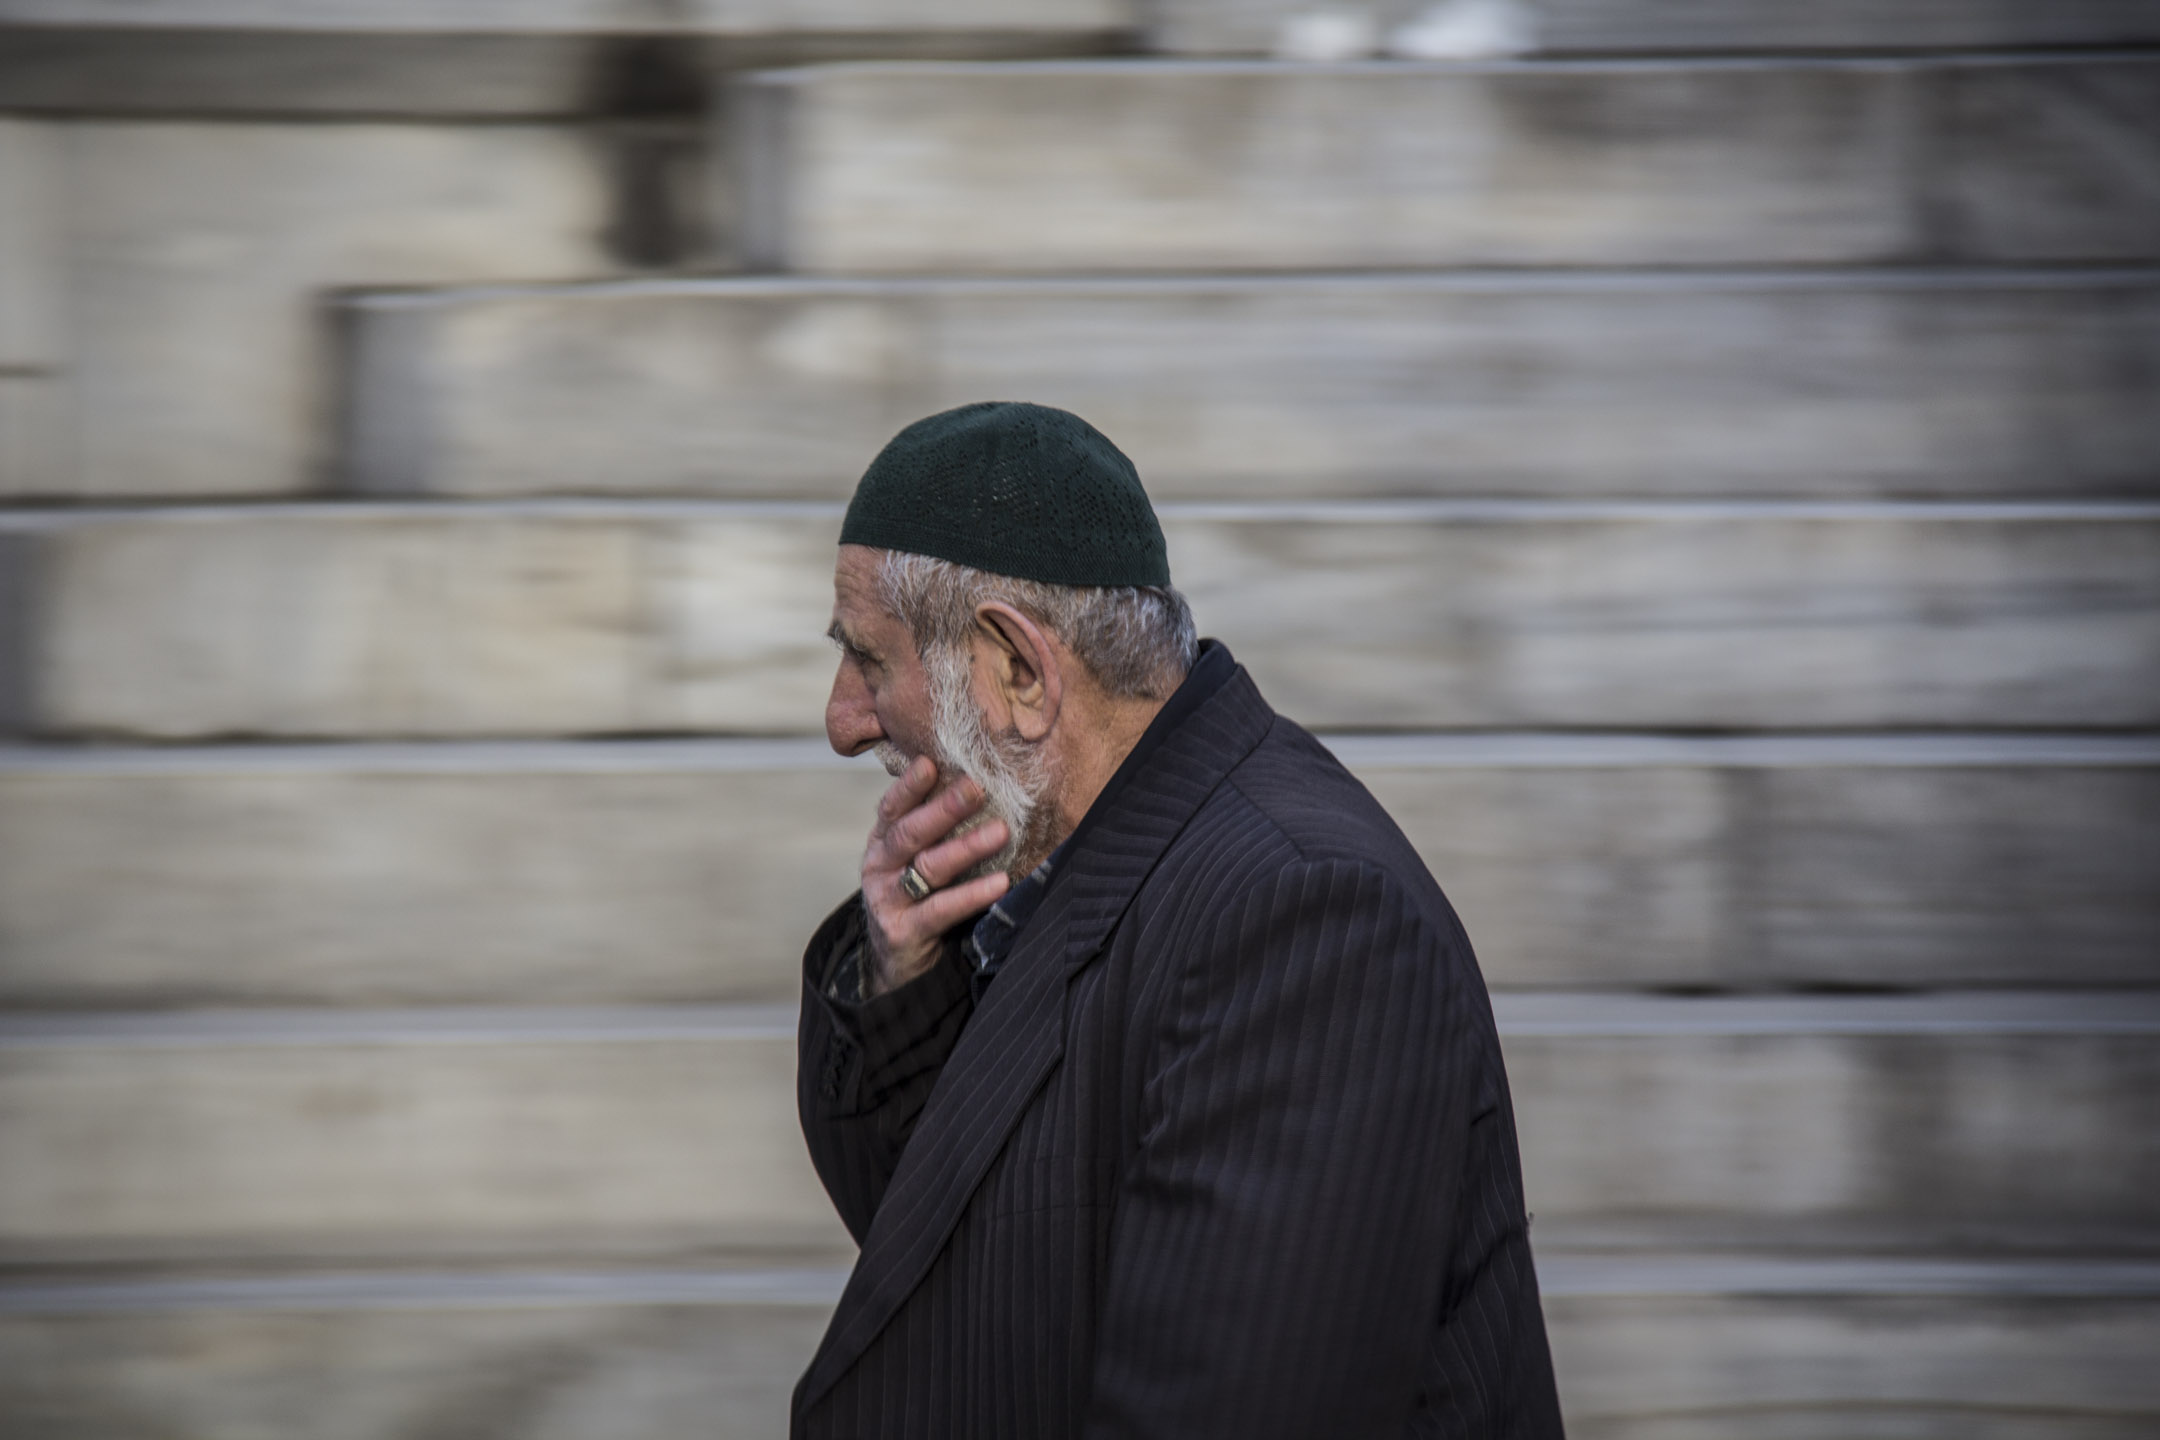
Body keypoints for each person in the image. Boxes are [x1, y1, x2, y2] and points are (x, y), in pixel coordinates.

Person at [794, 401, 1564, 1439]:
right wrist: (905, 983)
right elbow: (955, 1273)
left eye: (871, 661)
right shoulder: (1093, 865)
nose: (844, 722)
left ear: (1019, 671)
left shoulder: (1307, 920)